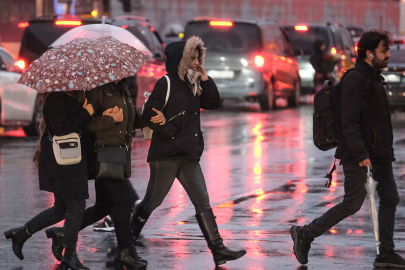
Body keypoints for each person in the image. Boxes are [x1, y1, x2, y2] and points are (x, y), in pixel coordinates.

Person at [291, 31, 405, 268]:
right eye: (384, 51)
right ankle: (305, 233)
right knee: (352, 203)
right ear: (370, 53)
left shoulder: (373, 77)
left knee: (390, 198)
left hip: (379, 153)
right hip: (359, 154)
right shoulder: (356, 79)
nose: (388, 56)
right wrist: (361, 154)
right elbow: (349, 122)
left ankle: (385, 253)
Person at [129, 36, 247, 266]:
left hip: (189, 155)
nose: (195, 62)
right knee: (152, 201)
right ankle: (127, 243)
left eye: (197, 58)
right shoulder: (166, 82)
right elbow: (150, 113)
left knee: (202, 201)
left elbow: (213, 103)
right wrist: (171, 132)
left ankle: (218, 249)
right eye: (191, 58)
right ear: (180, 60)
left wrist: (206, 78)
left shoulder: (193, 82)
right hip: (166, 155)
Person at [46, 80, 165, 269]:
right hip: (103, 154)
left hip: (119, 153)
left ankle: (63, 233)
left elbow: (129, 120)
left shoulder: (123, 89)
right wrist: (110, 119)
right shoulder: (96, 90)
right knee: (124, 202)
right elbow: (86, 124)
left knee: (104, 206)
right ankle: (125, 252)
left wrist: (150, 118)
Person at [4, 91, 94, 270]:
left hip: (67, 159)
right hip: (61, 161)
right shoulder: (56, 97)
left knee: (62, 208)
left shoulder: (70, 95)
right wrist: (86, 112)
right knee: (76, 205)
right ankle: (69, 254)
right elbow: (60, 128)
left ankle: (22, 233)